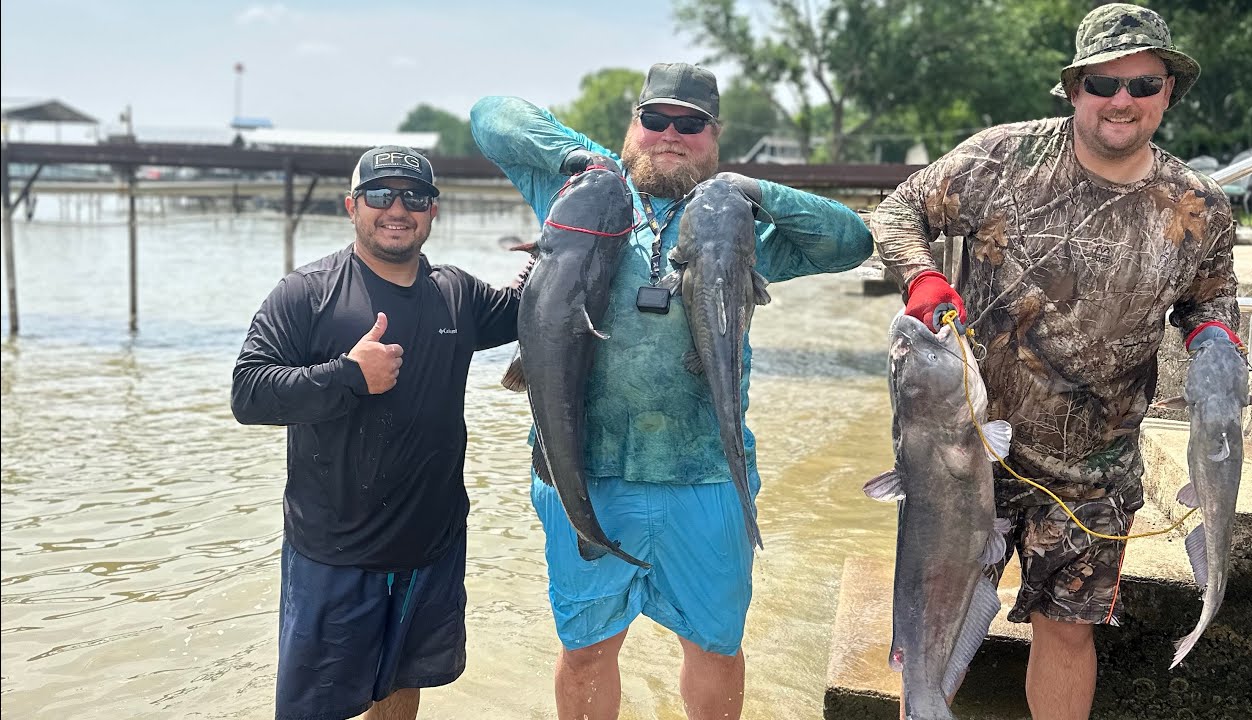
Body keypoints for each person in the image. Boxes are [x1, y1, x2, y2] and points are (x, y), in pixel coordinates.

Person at [471, 63, 873, 719]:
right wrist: (588, 158)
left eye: (690, 124)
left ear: (715, 136)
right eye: (655, 120)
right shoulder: (574, 190)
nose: (671, 135)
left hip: (707, 477)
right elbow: (490, 114)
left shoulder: (742, 222)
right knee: (586, 650)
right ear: (632, 126)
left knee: (715, 647)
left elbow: (853, 240)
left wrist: (754, 189)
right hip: (585, 470)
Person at [870, 5, 1238, 719]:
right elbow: (897, 213)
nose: (1121, 100)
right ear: (1074, 89)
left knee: (1068, 633)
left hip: (1093, 472)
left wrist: (1213, 340)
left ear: (1168, 91)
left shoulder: (1200, 206)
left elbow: (1212, 297)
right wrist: (921, 276)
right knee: (931, 619)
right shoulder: (1002, 158)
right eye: (1102, 83)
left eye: (1142, 82)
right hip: (962, 445)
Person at [230, 145, 523, 720]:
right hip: (334, 554)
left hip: (430, 545)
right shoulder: (307, 294)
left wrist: (576, 233)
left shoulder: (457, 294)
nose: (397, 208)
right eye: (379, 194)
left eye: (414, 196)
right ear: (351, 206)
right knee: (315, 708)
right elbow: (249, 393)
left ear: (433, 211)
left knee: (400, 684)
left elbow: (534, 306)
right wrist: (347, 375)